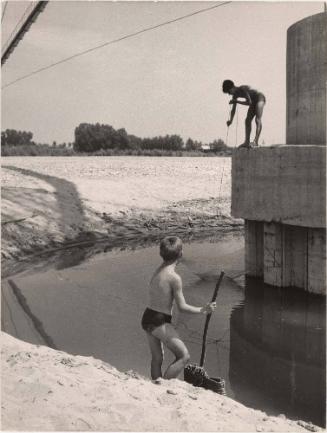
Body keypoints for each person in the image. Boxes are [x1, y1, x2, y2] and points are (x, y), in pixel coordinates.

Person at [141, 236, 216, 380]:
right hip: (159, 321)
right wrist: (203, 309)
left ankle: (155, 385)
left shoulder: (158, 270)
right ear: (181, 254)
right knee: (183, 356)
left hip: (147, 317)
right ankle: (163, 386)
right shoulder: (174, 277)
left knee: (157, 359)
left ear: (161, 254)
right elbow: (182, 307)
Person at [222, 79, 266, 148]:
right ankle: (247, 142)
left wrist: (237, 101)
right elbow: (233, 110)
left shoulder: (242, 88)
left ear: (232, 88)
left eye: (229, 92)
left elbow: (249, 102)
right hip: (253, 101)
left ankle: (255, 141)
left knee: (257, 119)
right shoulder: (235, 96)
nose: (229, 94)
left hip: (259, 98)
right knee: (247, 121)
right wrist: (230, 121)